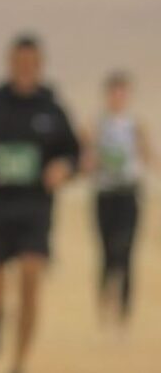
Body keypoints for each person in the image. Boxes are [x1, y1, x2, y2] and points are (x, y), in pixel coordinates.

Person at [0, 34, 81, 373]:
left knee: (30, 277)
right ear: (9, 64)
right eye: (19, 64)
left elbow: (73, 152)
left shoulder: (52, 109)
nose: (26, 70)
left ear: (41, 66)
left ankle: (19, 362)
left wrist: (65, 168)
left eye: (32, 64)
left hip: (34, 209)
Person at [82, 70, 152, 328]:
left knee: (126, 251)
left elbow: (148, 157)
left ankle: (124, 311)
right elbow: (86, 160)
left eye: (122, 93)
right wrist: (90, 156)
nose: (118, 98)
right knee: (106, 251)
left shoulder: (136, 125)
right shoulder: (96, 125)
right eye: (114, 93)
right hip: (105, 194)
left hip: (128, 193)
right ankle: (103, 303)